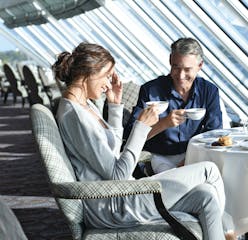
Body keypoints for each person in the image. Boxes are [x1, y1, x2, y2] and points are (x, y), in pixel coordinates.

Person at [52, 42, 235, 240]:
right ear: (89, 73)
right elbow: (117, 175)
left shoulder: (84, 105)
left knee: (206, 196)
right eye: (106, 75)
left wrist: (114, 106)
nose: (107, 84)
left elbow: (113, 150)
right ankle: (228, 230)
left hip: (123, 194)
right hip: (112, 205)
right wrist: (142, 127)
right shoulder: (76, 116)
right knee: (208, 170)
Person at [125, 37, 223, 174]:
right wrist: (164, 123)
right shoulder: (150, 90)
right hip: (158, 156)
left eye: (187, 69)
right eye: (176, 67)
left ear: (200, 66)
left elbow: (214, 133)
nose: (181, 76)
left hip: (193, 155)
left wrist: (190, 159)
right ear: (170, 60)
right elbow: (130, 135)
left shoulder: (209, 91)